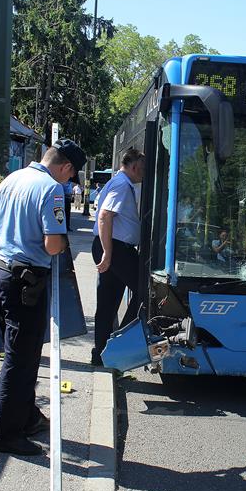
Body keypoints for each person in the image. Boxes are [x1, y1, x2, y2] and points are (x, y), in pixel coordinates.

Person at [0, 139, 86, 456]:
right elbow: (52, 246)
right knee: (20, 362)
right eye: (71, 176)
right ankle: (6, 434)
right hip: (25, 283)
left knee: (17, 354)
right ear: (67, 167)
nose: (69, 182)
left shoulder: (12, 179)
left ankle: (27, 418)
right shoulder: (51, 189)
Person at [91, 148, 145, 366]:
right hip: (116, 247)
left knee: (108, 302)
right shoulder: (123, 185)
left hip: (113, 246)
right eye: (142, 169)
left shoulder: (118, 182)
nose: (144, 173)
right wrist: (108, 252)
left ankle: (102, 353)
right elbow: (104, 216)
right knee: (144, 290)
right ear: (134, 167)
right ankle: (120, 343)